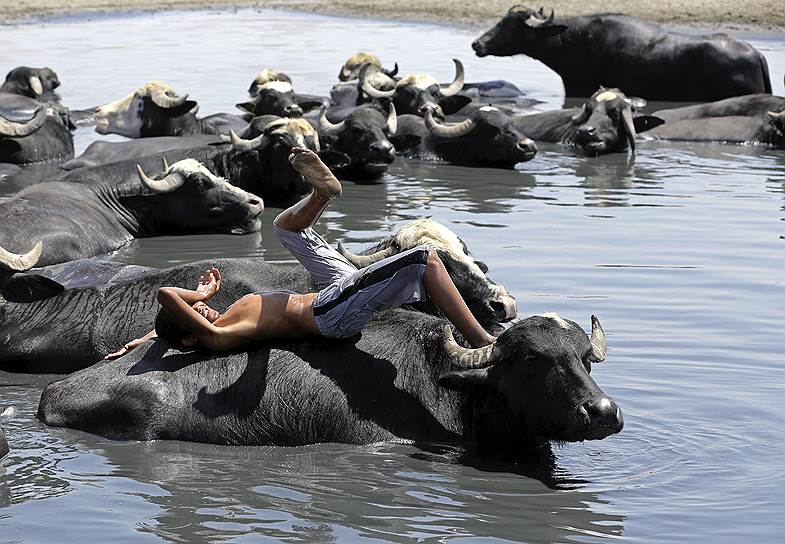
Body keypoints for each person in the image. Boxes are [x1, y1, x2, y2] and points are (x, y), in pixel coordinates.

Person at [106, 147, 496, 359]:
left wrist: (138, 342)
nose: (202, 309)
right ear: (194, 336)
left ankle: (322, 194)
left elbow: (168, 329)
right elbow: (167, 298)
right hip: (329, 314)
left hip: (333, 289)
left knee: (284, 227)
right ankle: (481, 340)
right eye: (195, 314)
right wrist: (201, 295)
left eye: (197, 309)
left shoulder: (209, 327)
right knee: (424, 257)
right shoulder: (218, 335)